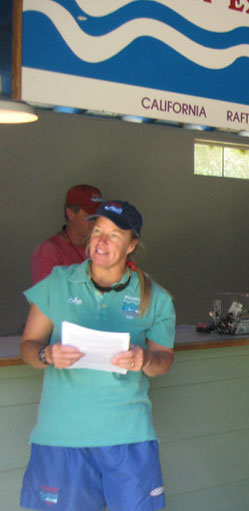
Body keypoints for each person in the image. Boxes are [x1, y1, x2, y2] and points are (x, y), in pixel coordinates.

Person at [19, 200, 176, 511]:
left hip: (128, 436)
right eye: (97, 231)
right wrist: (46, 354)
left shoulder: (155, 297)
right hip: (62, 436)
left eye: (114, 235)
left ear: (132, 245)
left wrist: (143, 360)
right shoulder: (58, 282)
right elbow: (28, 346)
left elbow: (163, 361)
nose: (101, 241)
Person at [30, 184, 103, 284]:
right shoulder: (49, 251)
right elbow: (45, 298)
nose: (96, 221)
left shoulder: (104, 248)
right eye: (90, 216)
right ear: (70, 213)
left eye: (99, 216)